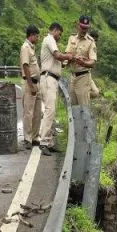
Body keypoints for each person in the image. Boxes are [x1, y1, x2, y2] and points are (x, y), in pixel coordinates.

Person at [38, 22, 73, 155]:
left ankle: (50, 142)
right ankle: (44, 142)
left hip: (52, 79)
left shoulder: (52, 42)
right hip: (48, 78)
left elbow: (60, 62)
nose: (60, 36)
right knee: (49, 110)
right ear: (55, 30)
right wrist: (68, 56)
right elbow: (58, 56)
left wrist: (69, 59)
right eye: (60, 33)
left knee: (52, 112)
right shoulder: (49, 39)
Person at [65, 15, 97, 107]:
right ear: (78, 25)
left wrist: (84, 63)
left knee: (84, 109)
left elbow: (93, 62)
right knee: (72, 108)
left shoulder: (91, 42)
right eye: (82, 27)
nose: (84, 30)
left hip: (83, 77)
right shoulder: (72, 38)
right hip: (72, 77)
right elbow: (67, 54)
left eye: (86, 28)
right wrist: (70, 58)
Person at [19, 25, 42, 149]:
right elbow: (25, 66)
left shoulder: (32, 48)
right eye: (37, 36)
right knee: (28, 112)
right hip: (30, 83)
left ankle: (35, 137)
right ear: (32, 35)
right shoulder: (25, 48)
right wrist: (30, 84)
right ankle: (27, 138)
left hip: (36, 83)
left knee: (38, 111)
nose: (38, 38)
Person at [86, 29, 101, 100]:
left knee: (96, 92)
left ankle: (81, 95)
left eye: (95, 40)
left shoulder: (93, 48)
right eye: (93, 40)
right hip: (82, 74)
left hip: (88, 74)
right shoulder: (85, 46)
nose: (94, 42)